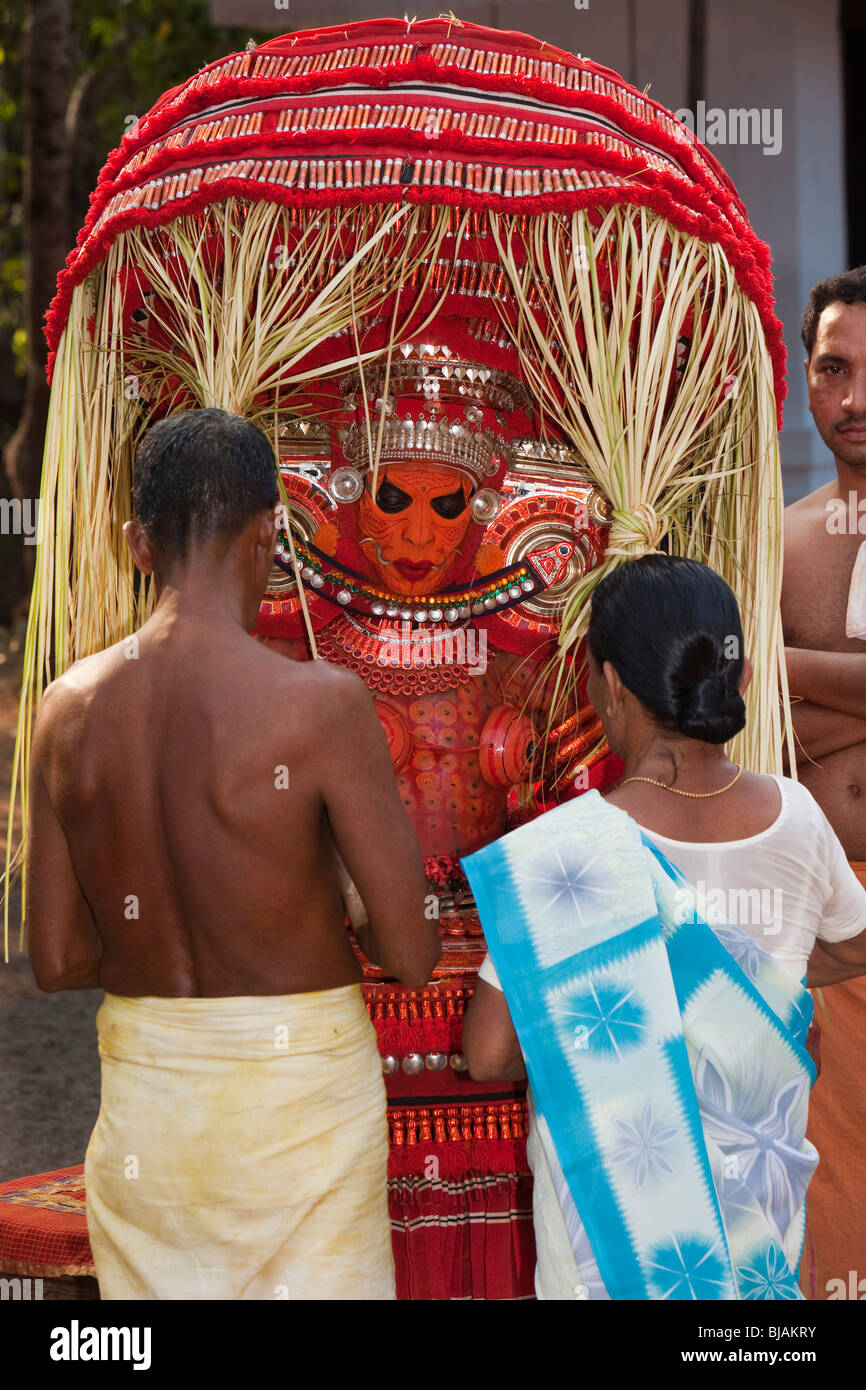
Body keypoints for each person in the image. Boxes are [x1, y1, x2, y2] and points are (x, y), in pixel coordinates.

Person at [24, 407, 440, 1300]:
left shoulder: (63, 712)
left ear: (139, 545)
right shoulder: (320, 706)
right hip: (301, 1112)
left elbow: (55, 961)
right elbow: (411, 955)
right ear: (268, 537)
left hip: (150, 1117)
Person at [462, 554, 866, 1300]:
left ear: (610, 685)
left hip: (608, 1255)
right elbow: (853, 943)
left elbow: (488, 1054)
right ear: (740, 680)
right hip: (758, 1242)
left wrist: (628, 1036)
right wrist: (754, 998)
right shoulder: (799, 819)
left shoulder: (565, 855)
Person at [782, 265, 866, 1298]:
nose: (854, 401)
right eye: (832, 370)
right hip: (813, 921)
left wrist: (788, 666)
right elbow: (753, 730)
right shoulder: (781, 536)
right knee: (827, 1206)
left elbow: (771, 690)